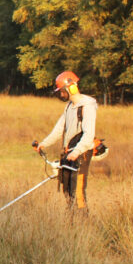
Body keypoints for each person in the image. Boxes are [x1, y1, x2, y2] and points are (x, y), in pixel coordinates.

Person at [35, 70, 97, 213]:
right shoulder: (69, 106)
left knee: (78, 191)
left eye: (62, 92)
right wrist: (44, 144)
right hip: (69, 154)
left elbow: (89, 134)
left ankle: (83, 222)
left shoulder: (87, 106)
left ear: (72, 87)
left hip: (81, 154)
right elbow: (59, 129)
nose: (61, 95)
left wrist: (76, 152)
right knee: (67, 190)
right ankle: (71, 221)